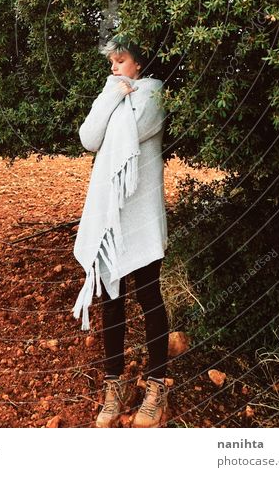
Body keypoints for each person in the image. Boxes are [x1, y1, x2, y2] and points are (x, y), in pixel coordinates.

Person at [72, 33, 171, 428]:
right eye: (112, 61)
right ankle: (113, 385)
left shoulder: (153, 96)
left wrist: (116, 101)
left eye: (121, 61)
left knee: (149, 296)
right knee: (110, 299)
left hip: (141, 213)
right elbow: (88, 137)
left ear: (140, 64)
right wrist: (113, 94)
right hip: (111, 217)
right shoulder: (116, 94)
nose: (114, 67)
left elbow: (127, 129)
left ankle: (157, 385)